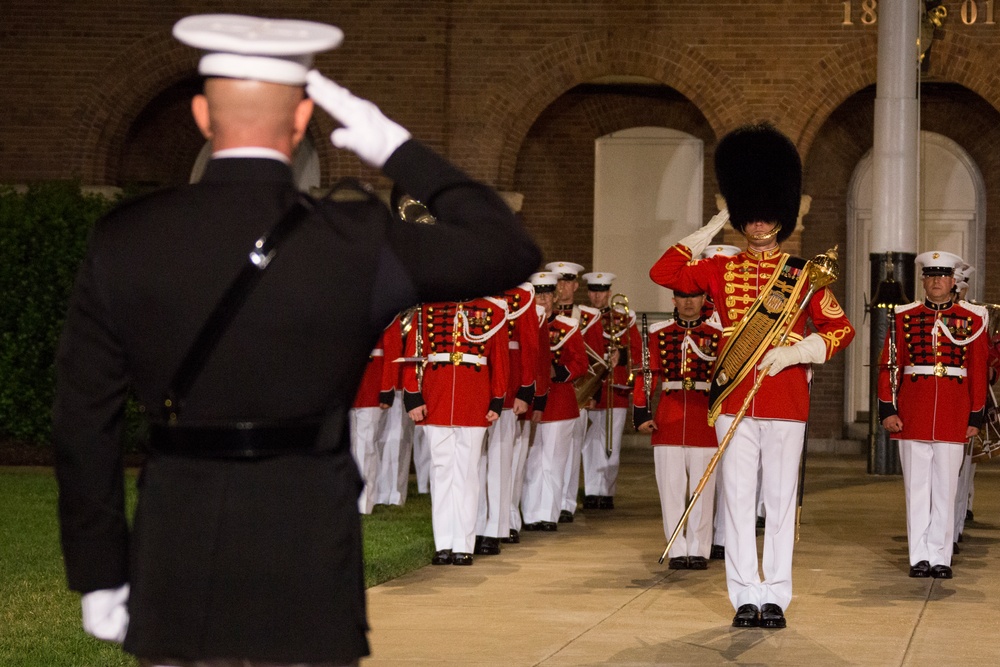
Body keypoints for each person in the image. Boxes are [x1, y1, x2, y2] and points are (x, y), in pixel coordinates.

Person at [52, 14, 540, 667]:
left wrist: (100, 568)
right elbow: (509, 248)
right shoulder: (353, 238)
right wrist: (395, 148)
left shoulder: (127, 237)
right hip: (306, 541)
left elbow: (83, 420)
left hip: (179, 538)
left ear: (202, 115)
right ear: (303, 115)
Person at [649, 122, 855, 630]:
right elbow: (664, 273)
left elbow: (841, 328)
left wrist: (802, 350)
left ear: (781, 219)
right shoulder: (718, 269)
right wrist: (713, 225)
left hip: (785, 398)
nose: (759, 226)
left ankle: (777, 597)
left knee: (780, 502)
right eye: (751, 216)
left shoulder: (804, 274)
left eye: (767, 217)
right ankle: (744, 594)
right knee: (738, 499)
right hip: (734, 397)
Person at [878, 251, 988, 580]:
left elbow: (978, 370)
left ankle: (941, 556)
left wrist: (976, 416)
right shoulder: (903, 315)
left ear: (953, 281)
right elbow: (889, 364)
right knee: (916, 488)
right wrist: (888, 407)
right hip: (913, 410)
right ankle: (919, 557)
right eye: (931, 276)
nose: (937, 281)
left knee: (945, 489)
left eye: (943, 276)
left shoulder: (973, 318)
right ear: (923, 281)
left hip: (954, 412)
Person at [404, 297, 510, 566]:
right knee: (441, 473)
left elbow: (499, 356)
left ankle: (463, 543)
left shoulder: (493, 310)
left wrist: (497, 398)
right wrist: (412, 396)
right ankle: (444, 543)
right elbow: (412, 354)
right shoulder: (427, 308)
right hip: (435, 396)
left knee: (468, 473)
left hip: (473, 399)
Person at [634, 289, 722, 570]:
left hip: (704, 420)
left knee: (702, 491)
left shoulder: (717, 335)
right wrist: (641, 412)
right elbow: (648, 373)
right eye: (682, 297)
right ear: (674, 301)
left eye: (694, 296)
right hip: (668, 418)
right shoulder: (660, 333)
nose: (688, 302)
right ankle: (676, 548)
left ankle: (698, 549)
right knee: (670, 490)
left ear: (702, 301)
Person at [521, 272, 588, 531]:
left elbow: (581, 364)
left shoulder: (568, 327)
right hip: (529, 403)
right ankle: (529, 514)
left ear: (555, 297)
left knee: (554, 462)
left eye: (548, 295)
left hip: (559, 402)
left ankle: (548, 515)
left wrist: (558, 372)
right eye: (538, 295)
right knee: (532, 462)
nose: (543, 300)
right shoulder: (523, 325)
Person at [475, 282, 539, 553]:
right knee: (474, 463)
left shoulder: (521, 295)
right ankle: (475, 526)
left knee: (500, 461)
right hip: (474, 383)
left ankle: (495, 528)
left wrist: (525, 389)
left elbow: (529, 345)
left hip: (508, 386)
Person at [579, 271, 640, 511]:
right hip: (591, 386)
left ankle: (607, 491)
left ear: (609, 293)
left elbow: (636, 348)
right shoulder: (582, 317)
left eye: (602, 291)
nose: (597, 296)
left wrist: (621, 354)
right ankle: (592, 490)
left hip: (616, 387)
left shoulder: (624, 317)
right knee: (590, 443)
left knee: (611, 443)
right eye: (593, 291)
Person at [544, 261, 600, 522]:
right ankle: (553, 503)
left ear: (576, 285)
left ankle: (566, 501)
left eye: (568, 282)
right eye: (560, 282)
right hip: (554, 392)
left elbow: (597, 360)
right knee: (549, 453)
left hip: (578, 389)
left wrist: (591, 392)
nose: (564, 287)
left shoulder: (587, 316)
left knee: (572, 448)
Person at [698, 244, 742, 561]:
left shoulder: (741, 313)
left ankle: (724, 537)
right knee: (706, 470)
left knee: (732, 470)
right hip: (702, 401)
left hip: (732, 397)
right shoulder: (694, 314)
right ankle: (702, 533)